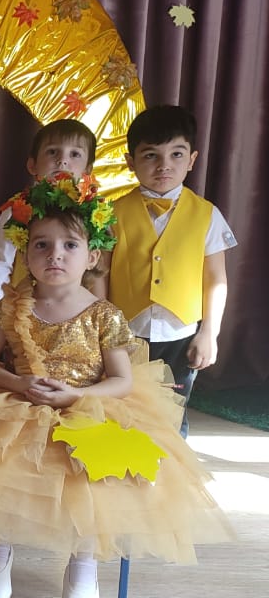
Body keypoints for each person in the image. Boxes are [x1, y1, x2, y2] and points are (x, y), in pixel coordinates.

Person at [0, 175, 232, 598]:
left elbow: (121, 380)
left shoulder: (103, 314)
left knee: (94, 477)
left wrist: (77, 395)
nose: (55, 255)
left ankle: (84, 565)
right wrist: (17, 384)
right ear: (25, 254)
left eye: (69, 245)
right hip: (19, 403)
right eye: (42, 245)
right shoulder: (10, 307)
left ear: (92, 256)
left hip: (88, 403)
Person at [101, 106, 237, 438]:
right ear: (130, 161)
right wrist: (102, 331)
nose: (164, 165)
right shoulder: (111, 213)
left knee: (173, 412)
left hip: (182, 333)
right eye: (151, 155)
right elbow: (100, 274)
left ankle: (172, 466)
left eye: (176, 154)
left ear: (192, 159)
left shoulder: (207, 214)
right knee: (125, 407)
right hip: (127, 333)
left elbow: (216, 279)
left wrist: (209, 333)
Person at [0, 119, 96, 311]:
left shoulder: (93, 214)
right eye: (52, 152)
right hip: (21, 310)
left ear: (88, 169)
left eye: (75, 154)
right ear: (32, 165)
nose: (62, 160)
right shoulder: (17, 210)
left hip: (74, 312)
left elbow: (97, 272)